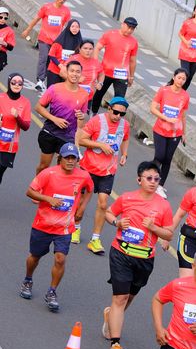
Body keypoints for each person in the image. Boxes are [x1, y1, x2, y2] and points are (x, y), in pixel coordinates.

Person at [103, 161, 173, 349]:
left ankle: (111, 316)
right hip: (121, 252)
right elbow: (108, 212)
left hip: (144, 258)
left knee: (130, 297)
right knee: (120, 297)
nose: (152, 182)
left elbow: (168, 233)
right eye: (148, 178)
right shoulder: (127, 198)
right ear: (139, 179)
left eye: (156, 179)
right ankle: (115, 344)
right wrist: (117, 222)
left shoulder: (163, 205)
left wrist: (154, 228)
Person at [20, 143, 93, 312]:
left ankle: (52, 292)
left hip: (64, 228)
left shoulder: (83, 176)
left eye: (73, 158)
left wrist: (82, 207)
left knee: (60, 259)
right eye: (67, 158)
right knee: (35, 257)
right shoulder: (48, 174)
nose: (70, 161)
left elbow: (90, 189)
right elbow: (30, 191)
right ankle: (28, 279)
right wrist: (48, 199)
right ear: (60, 158)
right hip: (43, 225)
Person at [77, 96, 130, 253]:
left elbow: (125, 139)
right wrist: (100, 145)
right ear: (109, 108)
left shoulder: (125, 125)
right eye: (116, 112)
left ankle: (95, 239)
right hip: (89, 168)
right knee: (81, 203)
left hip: (108, 170)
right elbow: (81, 140)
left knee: (102, 204)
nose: (118, 116)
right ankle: (76, 227)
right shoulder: (97, 121)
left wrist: (124, 154)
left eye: (122, 114)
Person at [35, 59, 88, 174]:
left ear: (81, 74)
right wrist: (54, 119)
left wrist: (81, 117)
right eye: (72, 71)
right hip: (50, 132)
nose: (75, 74)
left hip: (67, 137)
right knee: (44, 166)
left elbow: (81, 123)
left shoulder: (84, 94)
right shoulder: (55, 88)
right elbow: (38, 107)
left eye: (78, 72)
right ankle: (37, 183)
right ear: (66, 72)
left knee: (64, 170)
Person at [21, 0, 71, 92]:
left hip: (56, 41)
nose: (62, 0)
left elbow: (68, 25)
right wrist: (27, 30)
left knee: (50, 61)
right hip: (44, 38)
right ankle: (40, 80)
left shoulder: (66, 11)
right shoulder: (47, 7)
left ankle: (44, 79)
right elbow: (36, 19)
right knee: (43, 58)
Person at [150, 67, 189, 198]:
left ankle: (160, 185)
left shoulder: (185, 96)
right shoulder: (164, 90)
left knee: (167, 159)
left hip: (175, 133)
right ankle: (149, 178)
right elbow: (152, 108)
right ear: (173, 77)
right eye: (179, 77)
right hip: (160, 130)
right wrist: (166, 118)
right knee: (159, 156)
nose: (181, 81)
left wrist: (184, 133)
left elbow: (183, 116)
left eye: (184, 79)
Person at [91, 17, 138, 113]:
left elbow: (132, 60)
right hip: (105, 72)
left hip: (122, 75)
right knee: (99, 94)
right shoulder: (109, 34)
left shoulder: (133, 42)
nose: (130, 30)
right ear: (122, 24)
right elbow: (97, 48)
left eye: (132, 29)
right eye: (128, 27)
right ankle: (93, 113)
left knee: (119, 100)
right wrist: (96, 65)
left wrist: (131, 76)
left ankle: (113, 117)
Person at [0, 73, 31, 184]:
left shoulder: (25, 102)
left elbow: (26, 126)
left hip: (9, 146)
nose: (17, 85)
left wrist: (17, 117)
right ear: (9, 83)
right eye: (13, 82)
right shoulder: (1, 98)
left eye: (20, 83)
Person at [46, 19, 82, 87]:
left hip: (68, 74)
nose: (75, 29)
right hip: (54, 70)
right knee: (52, 91)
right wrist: (60, 65)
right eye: (73, 26)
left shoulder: (80, 43)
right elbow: (51, 55)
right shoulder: (60, 41)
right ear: (68, 27)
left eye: (77, 27)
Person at [0, 6, 16, 72]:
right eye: (1, 17)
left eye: (5, 18)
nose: (3, 19)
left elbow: (11, 47)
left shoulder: (9, 31)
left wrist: (4, 43)